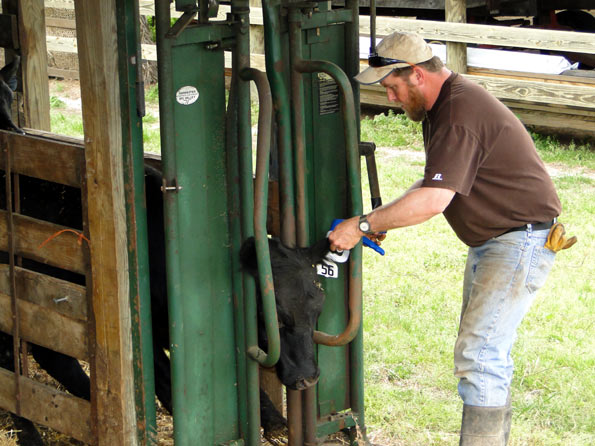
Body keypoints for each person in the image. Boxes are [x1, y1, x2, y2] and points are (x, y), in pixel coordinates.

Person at [329, 32, 571, 445]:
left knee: (480, 357)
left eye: (392, 86)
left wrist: (361, 226)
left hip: (517, 241)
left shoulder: (457, 111)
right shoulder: (448, 103)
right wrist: (379, 217)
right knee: (485, 354)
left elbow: (433, 201)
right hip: (501, 240)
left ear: (417, 75)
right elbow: (432, 180)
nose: (389, 98)